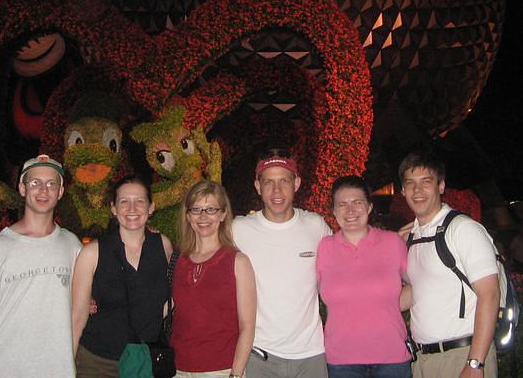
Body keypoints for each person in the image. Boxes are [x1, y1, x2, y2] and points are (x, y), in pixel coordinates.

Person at [0, 154, 82, 378]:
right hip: (1, 369)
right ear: (22, 189)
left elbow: (81, 302)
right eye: (35, 183)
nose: (43, 190)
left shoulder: (72, 245)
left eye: (51, 183)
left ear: (61, 192)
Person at [398, 151, 500, 378]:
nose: (417, 191)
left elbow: (490, 295)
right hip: (423, 360)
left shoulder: (462, 229)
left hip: (462, 356)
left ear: (441, 186)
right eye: (410, 184)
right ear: (402, 191)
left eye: (426, 182)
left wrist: (475, 363)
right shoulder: (412, 238)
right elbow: (413, 293)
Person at [232, 149, 332, 378]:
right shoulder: (239, 229)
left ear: (296, 183)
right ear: (258, 186)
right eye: (269, 182)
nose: (276, 191)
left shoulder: (315, 226)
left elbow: (346, 260)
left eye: (284, 181)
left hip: (311, 354)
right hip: (259, 353)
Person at [71, 173, 173, 377]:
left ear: (151, 207)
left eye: (139, 201)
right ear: (113, 208)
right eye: (124, 201)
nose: (132, 209)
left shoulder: (163, 245)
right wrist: (67, 366)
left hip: (145, 360)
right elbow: (77, 316)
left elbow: (168, 298)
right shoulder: (92, 252)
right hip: (98, 362)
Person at [316, 175, 411, 378]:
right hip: (342, 361)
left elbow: (416, 285)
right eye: (342, 204)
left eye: (357, 203)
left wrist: (387, 305)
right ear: (333, 211)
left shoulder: (393, 243)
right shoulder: (324, 248)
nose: (350, 211)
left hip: (391, 358)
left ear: (369, 207)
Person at [171, 180, 256, 377]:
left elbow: (247, 326)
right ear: (187, 215)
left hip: (221, 370)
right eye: (196, 209)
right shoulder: (177, 261)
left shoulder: (237, 261)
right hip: (179, 369)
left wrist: (235, 374)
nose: (203, 216)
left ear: (223, 214)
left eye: (211, 209)